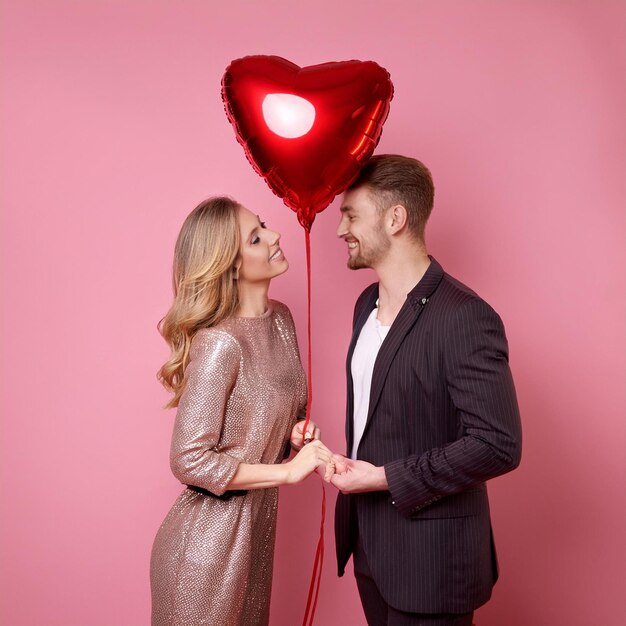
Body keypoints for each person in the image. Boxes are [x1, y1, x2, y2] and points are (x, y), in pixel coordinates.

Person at [331, 155, 522, 626]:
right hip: (370, 549)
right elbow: (382, 413)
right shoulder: (365, 304)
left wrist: (382, 477)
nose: (340, 230)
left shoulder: (465, 317)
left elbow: (498, 445)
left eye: (351, 214)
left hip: (432, 563)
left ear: (395, 217)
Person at [150, 196, 333, 626]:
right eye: (256, 238)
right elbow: (188, 459)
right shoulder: (220, 343)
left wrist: (290, 436)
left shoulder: (281, 320)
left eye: (264, 225)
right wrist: (287, 473)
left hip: (253, 540)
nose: (274, 236)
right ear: (231, 266)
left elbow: (269, 414)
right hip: (205, 551)